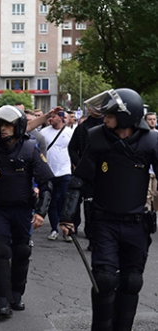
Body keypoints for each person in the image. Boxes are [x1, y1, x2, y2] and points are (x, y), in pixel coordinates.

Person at [60, 88, 157, 331]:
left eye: (110, 114)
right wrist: (68, 216)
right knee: (104, 279)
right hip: (104, 222)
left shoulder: (151, 141)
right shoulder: (97, 138)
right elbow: (79, 180)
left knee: (132, 281)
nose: (105, 117)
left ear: (126, 115)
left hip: (136, 222)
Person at [0, 105, 54, 318]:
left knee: (22, 251)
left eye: (8, 125)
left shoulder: (30, 148)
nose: (3, 128)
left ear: (19, 126)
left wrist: (41, 212)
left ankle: (17, 293)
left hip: (23, 210)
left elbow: (47, 183)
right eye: (1, 124)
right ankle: (2, 299)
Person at [67, 106, 104, 250]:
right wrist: (80, 164)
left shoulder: (108, 126)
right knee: (87, 204)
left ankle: (98, 235)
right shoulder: (83, 128)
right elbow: (72, 148)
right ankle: (88, 233)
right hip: (86, 172)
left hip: (104, 172)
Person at [40, 109, 73, 241]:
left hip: (65, 172)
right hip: (49, 172)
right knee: (51, 201)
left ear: (60, 118)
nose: (51, 119)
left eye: (53, 117)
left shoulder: (69, 133)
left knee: (65, 200)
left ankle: (66, 229)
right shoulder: (44, 132)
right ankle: (54, 229)